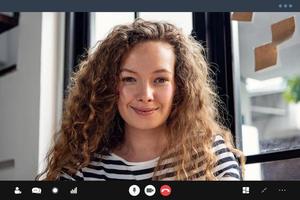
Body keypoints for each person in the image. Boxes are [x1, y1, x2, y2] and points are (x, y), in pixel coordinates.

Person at [37, 18, 244, 181]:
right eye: (129, 79)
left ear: (179, 87)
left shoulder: (211, 158)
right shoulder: (81, 170)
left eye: (160, 79)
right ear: (107, 87)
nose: (145, 95)